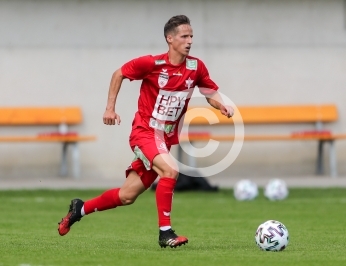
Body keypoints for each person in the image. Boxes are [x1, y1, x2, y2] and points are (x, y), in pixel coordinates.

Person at [57, 15, 234, 248]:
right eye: (184, 36)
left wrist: (221, 104)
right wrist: (110, 108)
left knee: (127, 196)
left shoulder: (196, 66)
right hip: (145, 132)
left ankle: (79, 209)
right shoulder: (152, 64)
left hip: (164, 139)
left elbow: (210, 91)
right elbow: (118, 73)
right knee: (170, 171)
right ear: (169, 39)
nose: (189, 40)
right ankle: (165, 233)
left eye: (191, 36)